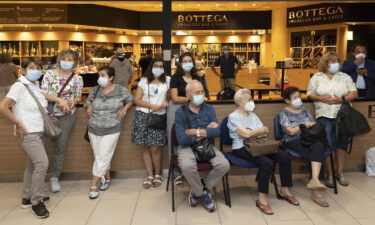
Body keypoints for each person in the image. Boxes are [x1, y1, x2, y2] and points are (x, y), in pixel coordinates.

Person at [227, 89, 297, 215]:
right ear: (239, 102)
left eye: (251, 99)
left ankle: (285, 190)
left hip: (259, 145)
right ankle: (262, 199)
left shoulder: (253, 115)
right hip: (241, 147)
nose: (252, 102)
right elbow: (245, 134)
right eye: (249, 99)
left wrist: (253, 132)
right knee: (267, 163)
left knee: (285, 156)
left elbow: (265, 131)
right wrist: (256, 131)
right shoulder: (233, 117)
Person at [0, 58, 50, 218]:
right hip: (27, 132)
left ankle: (27, 197)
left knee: (32, 165)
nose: (35, 70)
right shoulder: (19, 86)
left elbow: (42, 100)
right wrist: (18, 124)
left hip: (38, 130)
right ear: (23, 70)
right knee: (42, 163)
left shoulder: (33, 85)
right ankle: (37, 202)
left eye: (38, 67)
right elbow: (3, 107)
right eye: (31, 67)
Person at [175, 80, 230, 212]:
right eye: (197, 92)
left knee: (224, 165)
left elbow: (217, 131)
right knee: (187, 166)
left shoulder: (209, 109)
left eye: (202, 91)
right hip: (187, 147)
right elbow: (182, 138)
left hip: (205, 145)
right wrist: (206, 131)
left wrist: (195, 131)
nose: (201, 94)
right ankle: (204, 194)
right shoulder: (180, 112)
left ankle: (198, 190)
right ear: (188, 95)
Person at [307, 52, 358, 188]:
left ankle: (339, 173)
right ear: (325, 63)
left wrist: (341, 99)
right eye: (332, 61)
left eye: (337, 61)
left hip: (342, 115)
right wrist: (321, 98)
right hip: (324, 115)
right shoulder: (317, 77)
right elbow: (310, 93)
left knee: (341, 144)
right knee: (328, 144)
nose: (335, 64)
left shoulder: (345, 77)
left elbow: (354, 92)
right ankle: (329, 176)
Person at [85, 66, 134, 199]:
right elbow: (88, 100)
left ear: (111, 77)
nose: (100, 78)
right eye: (99, 75)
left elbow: (130, 99)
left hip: (113, 127)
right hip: (94, 127)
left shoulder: (120, 90)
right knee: (100, 156)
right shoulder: (95, 90)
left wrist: (124, 109)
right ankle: (107, 178)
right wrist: (89, 106)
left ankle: (94, 185)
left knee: (103, 156)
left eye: (103, 75)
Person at [41, 49, 84, 193]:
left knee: (60, 147)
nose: (67, 62)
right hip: (48, 115)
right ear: (59, 59)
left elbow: (78, 97)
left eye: (70, 59)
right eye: (64, 58)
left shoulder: (77, 78)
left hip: (67, 116)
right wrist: (58, 99)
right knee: (43, 147)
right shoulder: (49, 74)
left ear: (75, 62)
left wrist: (73, 101)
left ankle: (54, 177)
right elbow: (43, 94)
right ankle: (39, 179)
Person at [279, 86, 329, 207]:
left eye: (299, 97)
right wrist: (303, 126)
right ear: (287, 100)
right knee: (317, 151)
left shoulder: (305, 110)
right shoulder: (283, 113)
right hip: (291, 140)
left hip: (308, 139)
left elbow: (312, 124)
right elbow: (290, 131)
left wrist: (309, 126)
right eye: (295, 97)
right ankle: (316, 190)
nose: (298, 100)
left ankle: (315, 181)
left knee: (318, 146)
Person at [132, 58, 170, 189]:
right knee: (145, 146)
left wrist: (167, 101)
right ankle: (149, 175)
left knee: (156, 147)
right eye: (155, 66)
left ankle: (158, 174)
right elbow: (136, 100)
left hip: (159, 117)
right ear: (151, 67)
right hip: (143, 115)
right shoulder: (143, 81)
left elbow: (171, 95)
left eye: (161, 66)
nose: (158, 68)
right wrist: (151, 105)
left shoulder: (168, 81)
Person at [168, 52, 201, 187]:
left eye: (190, 61)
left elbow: (202, 93)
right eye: (185, 61)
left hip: (193, 111)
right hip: (176, 110)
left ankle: (189, 171)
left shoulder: (197, 77)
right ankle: (176, 174)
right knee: (175, 140)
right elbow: (175, 98)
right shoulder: (175, 77)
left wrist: (196, 98)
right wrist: (191, 98)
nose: (187, 63)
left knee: (191, 139)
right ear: (180, 63)